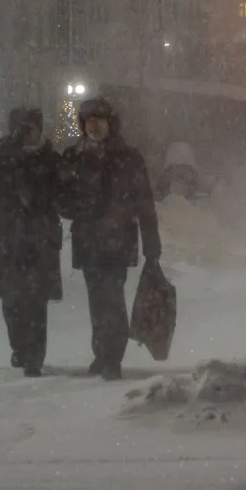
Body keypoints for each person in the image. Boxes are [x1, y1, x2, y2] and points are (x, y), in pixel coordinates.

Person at [58, 97, 161, 381]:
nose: (93, 126)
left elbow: (144, 202)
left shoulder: (128, 157)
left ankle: (112, 357)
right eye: (87, 121)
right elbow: (61, 198)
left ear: (110, 124)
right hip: (88, 239)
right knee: (96, 298)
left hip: (118, 239)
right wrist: (79, 208)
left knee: (112, 297)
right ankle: (101, 352)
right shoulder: (73, 156)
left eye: (98, 120)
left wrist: (152, 242)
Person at [0, 107, 63, 376]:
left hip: (39, 238)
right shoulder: (5, 153)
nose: (26, 133)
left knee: (36, 300)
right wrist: (12, 148)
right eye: (20, 128)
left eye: (30, 128)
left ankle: (34, 358)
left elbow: (57, 192)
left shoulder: (50, 158)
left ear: (40, 129)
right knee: (12, 300)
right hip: (7, 237)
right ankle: (19, 347)